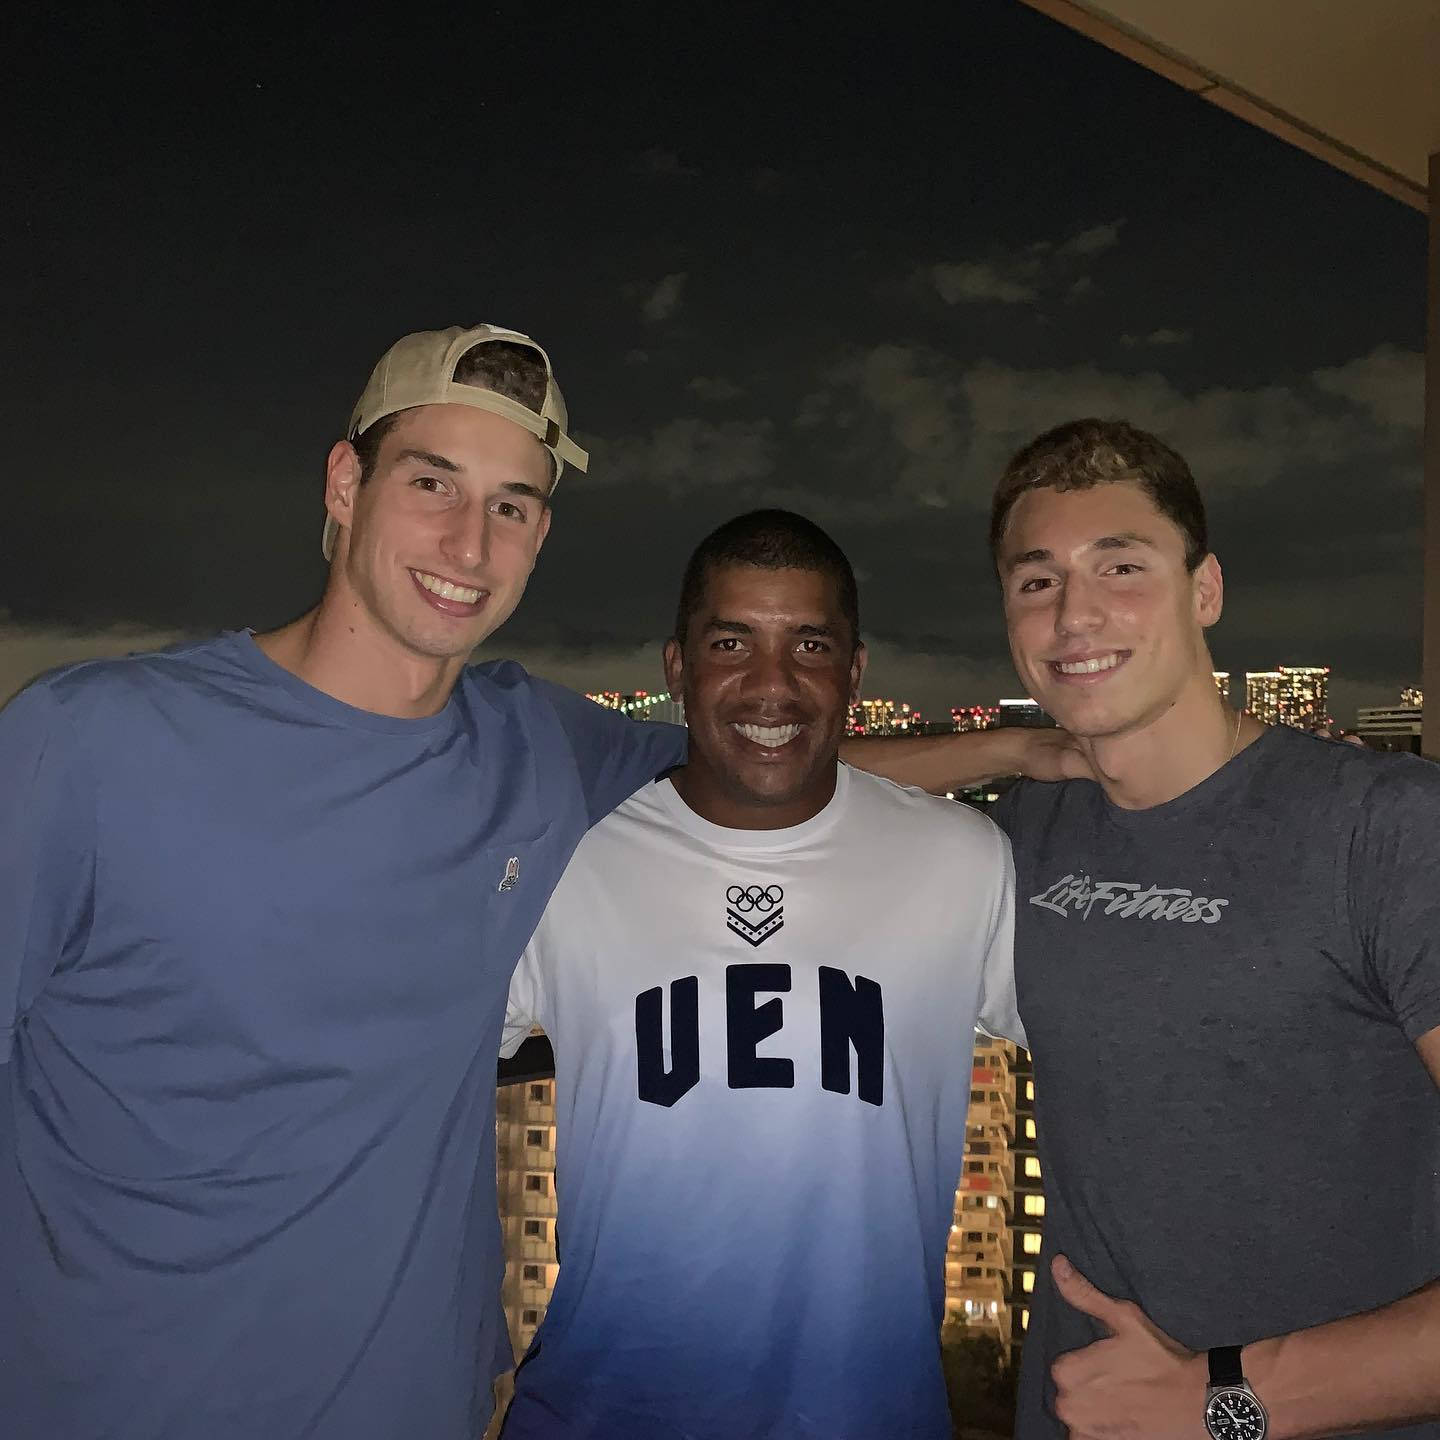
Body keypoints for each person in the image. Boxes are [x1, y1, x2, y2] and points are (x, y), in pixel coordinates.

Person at [0, 325, 1078, 1440]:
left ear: (540, 535)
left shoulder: (537, 750)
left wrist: (1017, 748)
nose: (468, 542)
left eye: (510, 505)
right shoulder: (90, 746)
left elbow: (761, 756)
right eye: (432, 482)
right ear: (344, 484)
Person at [497, 510, 1022, 1440]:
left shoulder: (964, 861)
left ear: (854, 671)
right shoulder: (570, 859)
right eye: (731, 642)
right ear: (677, 667)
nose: (771, 684)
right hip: (600, 1414)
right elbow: (408, 1070)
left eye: (809, 645)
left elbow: (1118, 1064)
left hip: (872, 1417)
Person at [987, 419, 1440, 1440]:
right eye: (1037, 580)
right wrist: (1013, 748)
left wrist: (1227, 1398)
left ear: (1206, 591)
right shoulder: (1027, 834)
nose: (1075, 613)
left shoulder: (1387, 829)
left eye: (1122, 566)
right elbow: (760, 785)